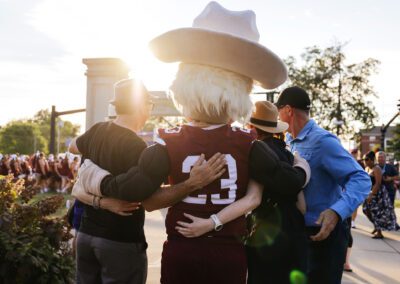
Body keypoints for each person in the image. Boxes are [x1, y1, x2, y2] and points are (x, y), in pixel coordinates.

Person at [76, 3, 310, 284]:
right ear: (238, 92)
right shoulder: (249, 143)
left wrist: (93, 179)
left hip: (182, 249)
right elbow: (288, 182)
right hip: (227, 252)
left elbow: (141, 194)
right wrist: (302, 165)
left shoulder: (168, 141)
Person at [69, 78, 224, 284]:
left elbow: (73, 147)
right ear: (141, 106)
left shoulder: (97, 130)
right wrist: (191, 183)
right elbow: (150, 200)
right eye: (148, 105)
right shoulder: (137, 147)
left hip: (86, 235)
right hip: (119, 241)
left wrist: (94, 159)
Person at [176, 101, 309, 284]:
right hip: (294, 228)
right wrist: (303, 169)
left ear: (251, 126)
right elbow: (302, 205)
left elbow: (254, 197)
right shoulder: (288, 154)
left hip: (265, 229)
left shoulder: (253, 152)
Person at [276, 86, 371, 284]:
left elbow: (361, 179)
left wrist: (337, 211)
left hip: (325, 236)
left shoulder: (323, 141)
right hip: (299, 235)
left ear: (288, 110)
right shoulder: (287, 140)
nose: (277, 117)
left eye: (278, 111)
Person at [362, 151, 397, 239]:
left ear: (372, 160)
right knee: (366, 210)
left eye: (367, 159)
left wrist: (372, 194)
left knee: (376, 212)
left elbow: (378, 183)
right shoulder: (367, 168)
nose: (365, 161)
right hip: (370, 192)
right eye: (364, 159)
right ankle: (376, 226)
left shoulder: (377, 168)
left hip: (378, 193)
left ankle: (379, 232)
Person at [376, 151, 399, 230]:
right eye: (379, 157)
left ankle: (394, 223)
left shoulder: (390, 167)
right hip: (379, 191)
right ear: (376, 158)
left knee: (390, 207)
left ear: (385, 158)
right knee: (379, 208)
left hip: (390, 190)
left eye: (382, 157)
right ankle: (380, 225)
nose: (380, 159)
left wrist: (390, 178)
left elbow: (398, 176)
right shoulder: (375, 167)